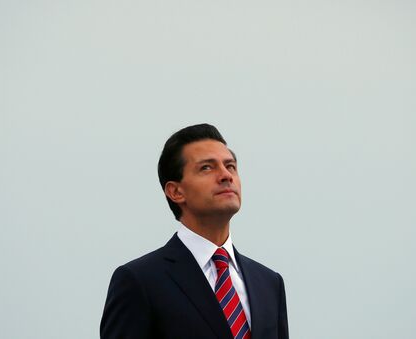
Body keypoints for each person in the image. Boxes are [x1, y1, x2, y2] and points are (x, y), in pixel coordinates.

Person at [100, 124, 288, 339]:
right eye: (207, 168)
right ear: (176, 191)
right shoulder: (140, 280)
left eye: (231, 166)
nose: (226, 175)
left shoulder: (269, 283)